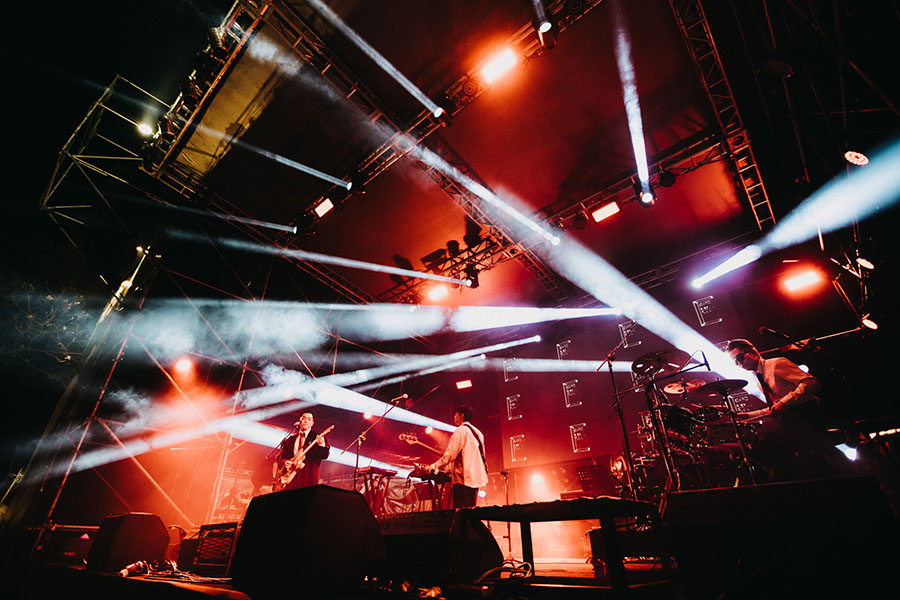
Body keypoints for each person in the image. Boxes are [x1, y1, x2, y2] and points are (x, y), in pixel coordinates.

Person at [726, 339, 829, 481]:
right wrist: (747, 416)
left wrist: (785, 401)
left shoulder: (776, 364)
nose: (739, 363)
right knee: (765, 448)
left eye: (739, 357)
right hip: (792, 421)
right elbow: (774, 408)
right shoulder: (759, 380)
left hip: (807, 416)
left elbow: (811, 383)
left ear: (752, 352)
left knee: (772, 448)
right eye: (735, 362)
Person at [426, 405, 488, 508]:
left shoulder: (461, 430)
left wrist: (434, 466)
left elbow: (450, 454)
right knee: (471, 511)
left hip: (463, 479)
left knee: (461, 511)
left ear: (461, 415)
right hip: (476, 478)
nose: (454, 416)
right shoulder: (478, 433)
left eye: (456, 414)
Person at [273, 410, 330, 490]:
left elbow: (324, 455)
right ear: (300, 421)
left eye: (309, 419)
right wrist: (286, 462)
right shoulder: (291, 439)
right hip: (291, 480)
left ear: (312, 423)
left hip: (308, 481)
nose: (306, 421)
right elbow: (281, 458)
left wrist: (322, 445)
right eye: (304, 418)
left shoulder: (317, 438)